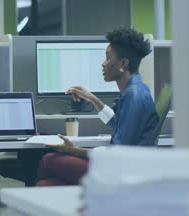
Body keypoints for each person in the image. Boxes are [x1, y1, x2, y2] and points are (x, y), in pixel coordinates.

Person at [35, 27, 158, 187]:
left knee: (48, 160)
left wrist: (74, 150)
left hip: (120, 173)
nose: (103, 63)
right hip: (122, 167)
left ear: (123, 63)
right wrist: (93, 99)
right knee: (49, 184)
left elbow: (118, 155)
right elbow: (121, 126)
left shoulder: (133, 96)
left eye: (108, 57)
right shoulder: (138, 89)